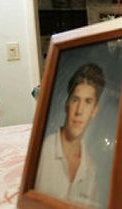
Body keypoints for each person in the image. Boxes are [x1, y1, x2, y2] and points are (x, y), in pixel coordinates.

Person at [35, 63, 105, 207]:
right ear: (67, 104)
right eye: (75, 100)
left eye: (88, 102)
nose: (79, 110)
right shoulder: (42, 152)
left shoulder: (90, 170)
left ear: (94, 110)